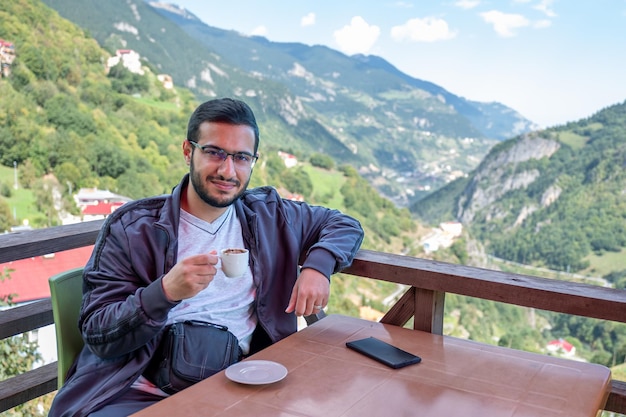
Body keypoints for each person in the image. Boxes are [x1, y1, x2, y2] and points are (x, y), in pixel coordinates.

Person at [48, 97, 364, 417]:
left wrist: (318, 266)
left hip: (236, 391)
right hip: (134, 393)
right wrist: (165, 292)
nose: (228, 170)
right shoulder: (134, 228)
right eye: (214, 152)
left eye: (241, 157)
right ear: (188, 151)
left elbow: (344, 224)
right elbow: (99, 333)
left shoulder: (269, 215)